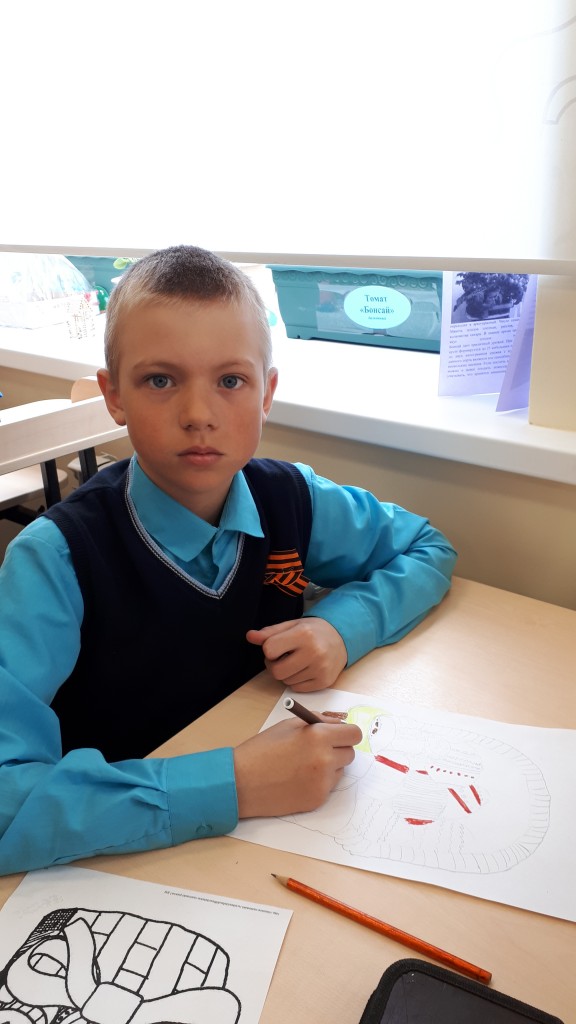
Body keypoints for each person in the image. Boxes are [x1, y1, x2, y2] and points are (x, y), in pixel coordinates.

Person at [0, 246, 457, 876]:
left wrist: (341, 628)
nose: (198, 416)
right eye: (160, 380)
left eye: (231, 381)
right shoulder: (54, 560)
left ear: (267, 392)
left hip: (270, 841)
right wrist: (234, 783)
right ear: (114, 396)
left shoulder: (292, 498)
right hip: (120, 854)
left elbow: (427, 547)